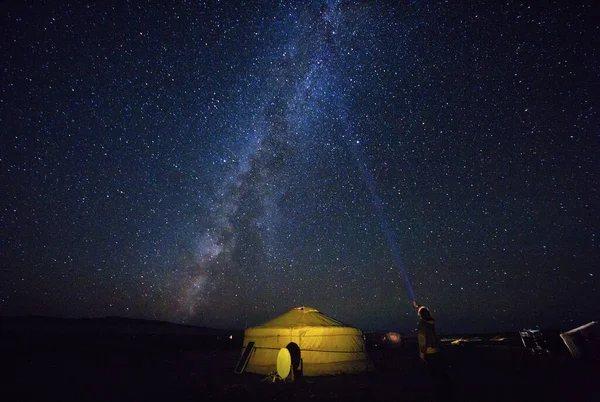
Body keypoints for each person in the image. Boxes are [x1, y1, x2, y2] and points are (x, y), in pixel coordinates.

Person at [413, 300, 454, 401]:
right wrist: (418, 305)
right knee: (441, 371)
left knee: (434, 373)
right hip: (437, 350)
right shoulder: (431, 323)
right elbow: (425, 311)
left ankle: (441, 394)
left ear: (421, 315)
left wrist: (422, 353)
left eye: (419, 313)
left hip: (429, 352)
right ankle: (447, 390)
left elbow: (422, 340)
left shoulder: (423, 326)